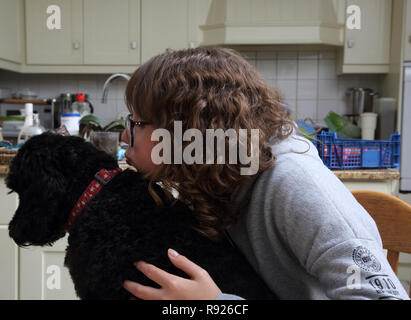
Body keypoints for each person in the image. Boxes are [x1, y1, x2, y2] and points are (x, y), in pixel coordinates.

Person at [120, 47, 410, 300]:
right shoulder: (218, 174)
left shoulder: (295, 186)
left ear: (183, 131)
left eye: (135, 123)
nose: (123, 136)